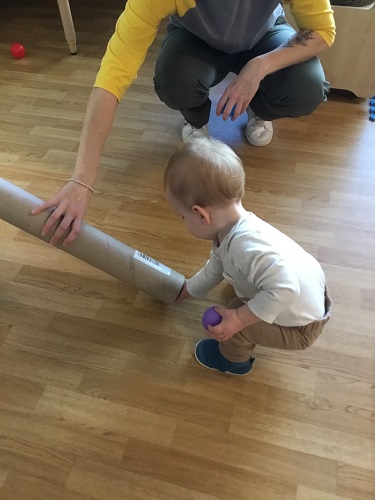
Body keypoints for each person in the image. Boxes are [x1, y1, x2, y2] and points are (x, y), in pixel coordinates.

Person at [31, 0, 335, 246]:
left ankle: (260, 109)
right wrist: (81, 180)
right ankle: (195, 121)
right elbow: (111, 79)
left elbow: (323, 29)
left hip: (264, 38)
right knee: (174, 80)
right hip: (197, 40)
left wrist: (260, 67)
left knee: (306, 88)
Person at [164, 138, 331, 375]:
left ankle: (232, 362)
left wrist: (239, 319)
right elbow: (216, 267)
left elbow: (286, 288)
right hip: (310, 290)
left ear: (201, 214)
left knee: (233, 315)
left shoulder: (244, 247)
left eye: (182, 217)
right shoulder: (233, 228)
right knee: (240, 290)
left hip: (303, 325)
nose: (183, 222)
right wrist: (189, 289)